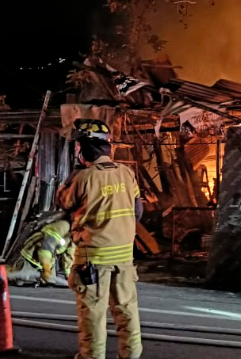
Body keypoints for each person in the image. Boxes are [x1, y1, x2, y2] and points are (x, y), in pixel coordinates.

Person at [57, 132, 144, 359]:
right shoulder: (127, 173)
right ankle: (131, 355)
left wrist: (73, 175)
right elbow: (138, 212)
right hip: (124, 256)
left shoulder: (84, 177)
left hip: (93, 258)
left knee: (93, 313)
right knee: (126, 309)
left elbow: (64, 202)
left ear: (84, 152)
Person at [5, 215, 73, 287]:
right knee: (20, 281)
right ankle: (6, 271)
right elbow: (46, 247)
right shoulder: (62, 226)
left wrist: (69, 275)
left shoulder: (74, 235)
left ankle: (41, 277)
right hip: (32, 256)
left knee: (50, 282)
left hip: (50, 260)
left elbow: (69, 255)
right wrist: (46, 267)